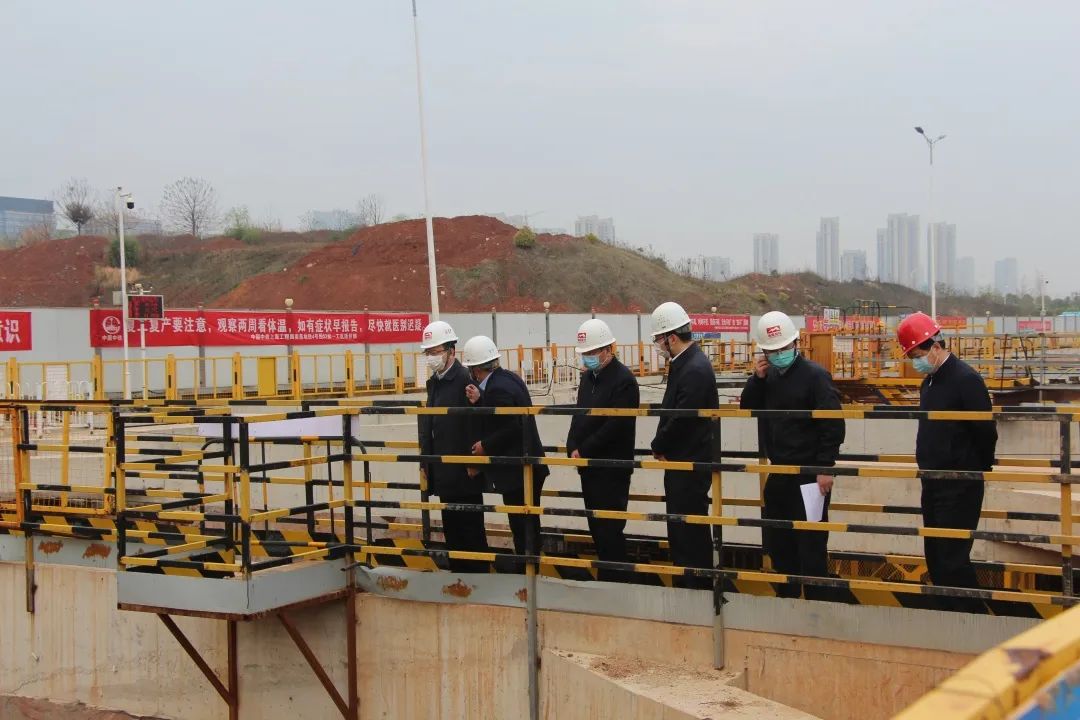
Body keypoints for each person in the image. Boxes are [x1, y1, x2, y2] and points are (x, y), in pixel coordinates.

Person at [740, 310, 846, 600]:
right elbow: (747, 407)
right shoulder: (769, 377)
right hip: (780, 472)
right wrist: (757, 378)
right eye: (772, 351)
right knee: (779, 541)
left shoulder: (816, 376)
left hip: (810, 475)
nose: (779, 354)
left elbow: (833, 424)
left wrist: (825, 466)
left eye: (783, 348)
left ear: (795, 344)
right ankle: (787, 599)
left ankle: (816, 602)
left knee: (811, 545)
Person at [898, 312, 997, 613]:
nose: (916, 362)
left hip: (960, 482)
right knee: (936, 555)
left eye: (918, 356)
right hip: (933, 480)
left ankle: (974, 617)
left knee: (953, 556)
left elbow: (985, 430)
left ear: (936, 347)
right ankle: (947, 614)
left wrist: (974, 469)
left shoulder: (966, 380)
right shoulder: (929, 383)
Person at [461, 335, 550, 569]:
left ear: (476, 370)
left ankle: (528, 574)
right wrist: (481, 400)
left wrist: (485, 446)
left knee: (522, 526)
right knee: (528, 523)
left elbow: (512, 426)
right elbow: (503, 414)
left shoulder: (497, 388)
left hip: (518, 471)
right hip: (527, 467)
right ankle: (530, 571)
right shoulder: (509, 379)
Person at [649, 301, 720, 589]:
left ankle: (696, 587)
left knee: (689, 531)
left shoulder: (694, 369)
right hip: (683, 462)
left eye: (658, 339)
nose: (658, 345)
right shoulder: (685, 363)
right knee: (681, 527)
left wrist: (658, 443)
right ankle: (688, 583)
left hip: (691, 463)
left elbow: (682, 418)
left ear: (672, 338)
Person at [566, 319, 640, 582]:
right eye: (584, 353)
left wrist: (584, 449)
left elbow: (616, 425)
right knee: (596, 528)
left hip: (612, 468)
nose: (587, 357)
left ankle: (617, 582)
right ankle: (606, 579)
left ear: (608, 350)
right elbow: (579, 415)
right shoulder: (588, 379)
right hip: (589, 469)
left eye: (591, 352)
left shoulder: (624, 381)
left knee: (610, 530)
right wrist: (571, 445)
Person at [416, 321, 490, 573]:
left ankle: (478, 581)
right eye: (428, 352)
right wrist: (425, 461)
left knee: (471, 532)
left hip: (465, 471)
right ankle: (459, 580)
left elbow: (477, 423)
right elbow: (429, 424)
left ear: (451, 351)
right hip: (442, 469)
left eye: (435, 352)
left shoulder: (465, 380)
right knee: (453, 531)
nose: (431, 357)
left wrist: (474, 461)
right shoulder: (435, 382)